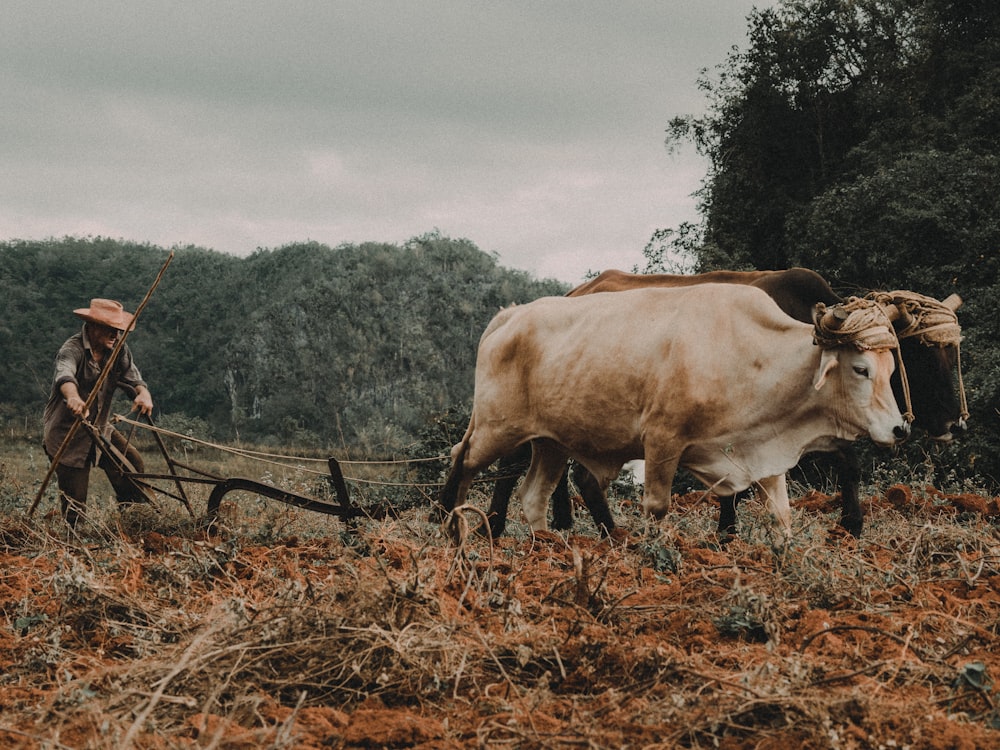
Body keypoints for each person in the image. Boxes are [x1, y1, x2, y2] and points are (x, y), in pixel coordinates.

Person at [43, 298, 154, 527]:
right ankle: (73, 548)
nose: (115, 334)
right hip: (68, 436)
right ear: (93, 327)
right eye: (110, 329)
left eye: (118, 329)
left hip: (100, 428)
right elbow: (65, 375)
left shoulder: (117, 350)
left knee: (133, 466)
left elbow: (133, 378)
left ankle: (132, 523)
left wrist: (143, 393)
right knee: (76, 507)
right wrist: (73, 397)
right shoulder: (72, 349)